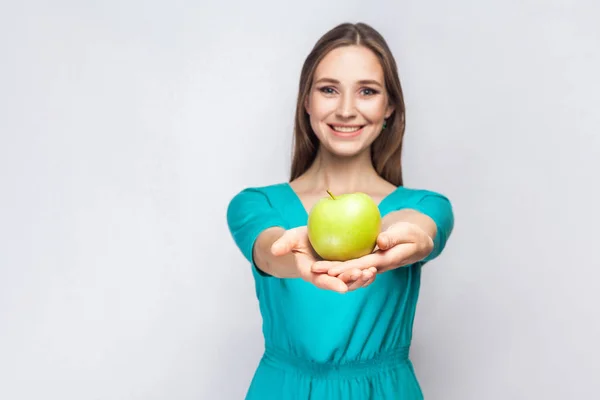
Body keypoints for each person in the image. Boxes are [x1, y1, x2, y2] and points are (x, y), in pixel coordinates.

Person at [226, 22, 454, 400]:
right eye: (329, 90)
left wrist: (404, 242)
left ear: (389, 106)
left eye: (367, 91)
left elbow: (411, 229)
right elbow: (270, 251)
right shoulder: (256, 204)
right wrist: (301, 257)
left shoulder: (426, 206)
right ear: (307, 102)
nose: (346, 110)